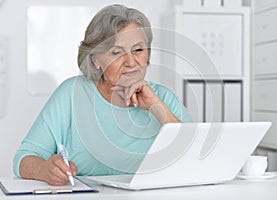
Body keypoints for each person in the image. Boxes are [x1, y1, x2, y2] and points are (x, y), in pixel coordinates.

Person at [13, 4, 191, 186]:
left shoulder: (164, 97)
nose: (131, 62)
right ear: (95, 60)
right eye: (116, 52)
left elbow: (195, 160)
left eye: (138, 50)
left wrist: (156, 106)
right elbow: (24, 158)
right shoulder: (71, 94)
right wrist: (45, 169)